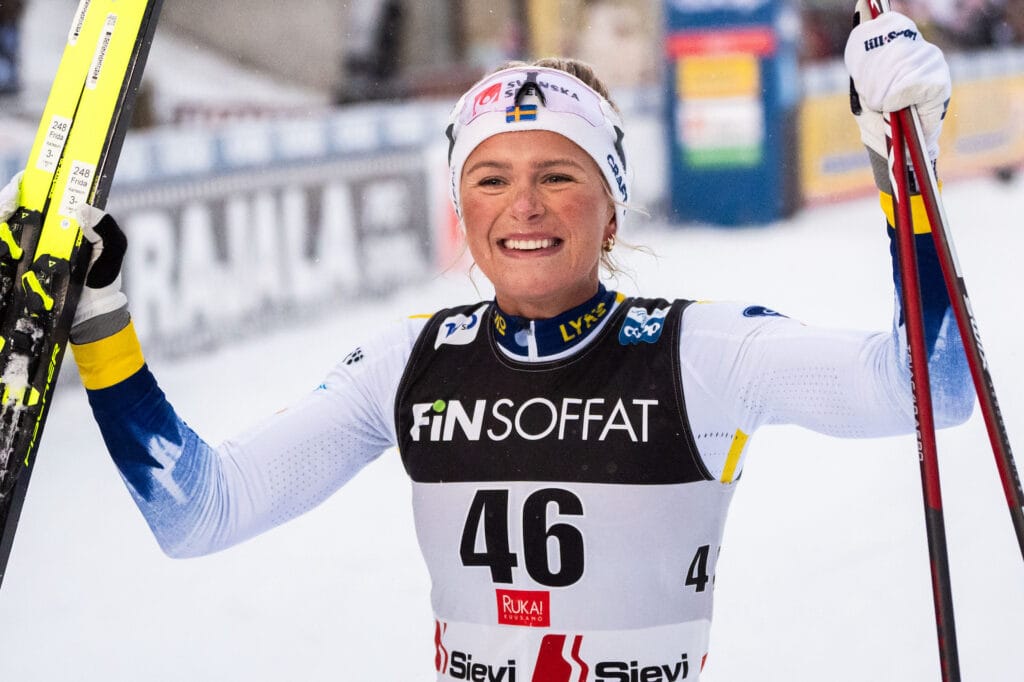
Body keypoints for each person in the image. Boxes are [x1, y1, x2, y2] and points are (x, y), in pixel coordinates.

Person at [0, 6, 972, 680]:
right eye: (490, 179)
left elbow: (923, 388)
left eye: (558, 173)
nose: (524, 207)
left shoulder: (697, 351)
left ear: (610, 207)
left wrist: (906, 182)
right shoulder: (410, 363)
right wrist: (101, 327)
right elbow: (198, 512)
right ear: (460, 212)